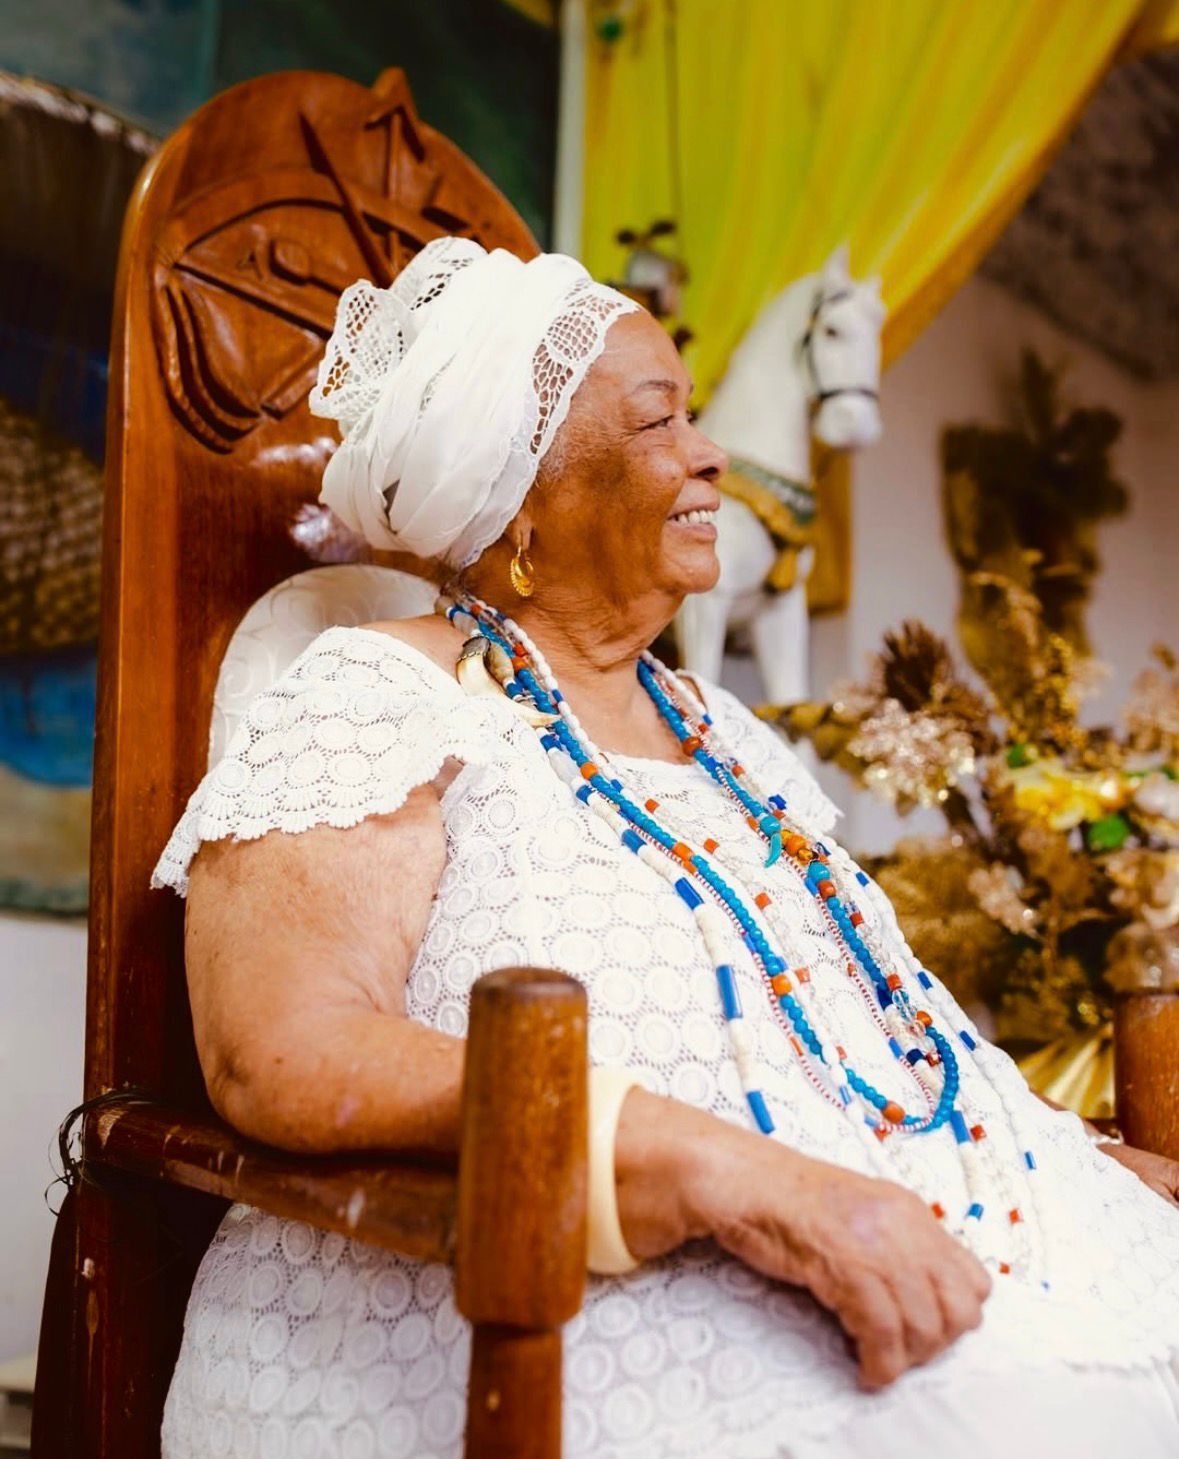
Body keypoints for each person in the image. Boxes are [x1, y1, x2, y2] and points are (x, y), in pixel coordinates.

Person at [151, 237, 1179, 1459]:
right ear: (519, 497)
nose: (710, 456)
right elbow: (280, 1051)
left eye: (694, 415)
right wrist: (722, 1170)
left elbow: (851, 1020)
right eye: (658, 425)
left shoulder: (724, 729)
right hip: (541, 1294)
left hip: (882, 1219)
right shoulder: (374, 691)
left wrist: (1057, 1153)